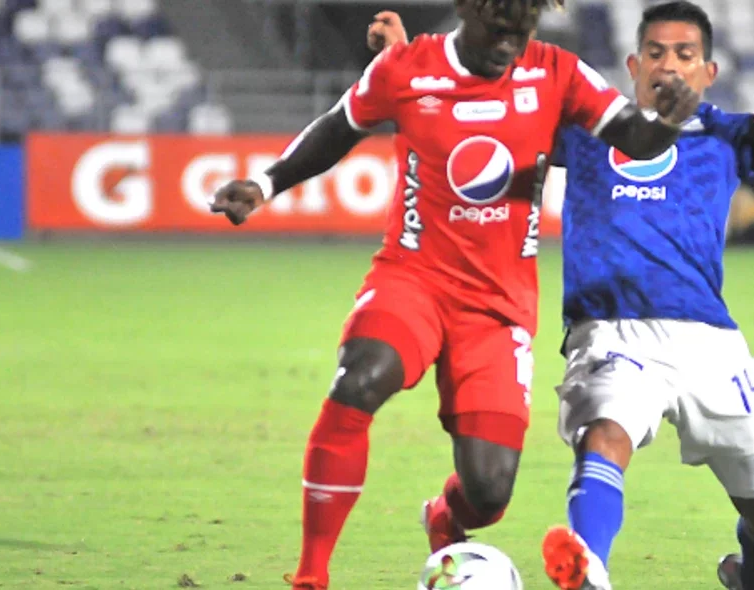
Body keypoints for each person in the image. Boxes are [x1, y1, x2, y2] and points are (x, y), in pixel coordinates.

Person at [378, 2, 754, 589]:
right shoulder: (585, 131)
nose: (668, 66)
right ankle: (589, 567)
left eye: (684, 54)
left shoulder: (728, 137)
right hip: (609, 328)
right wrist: (406, 63)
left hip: (710, 341)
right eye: (655, 53)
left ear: (709, 72)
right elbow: (479, 105)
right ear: (632, 64)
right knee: (606, 431)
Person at [207, 1, 700, 589]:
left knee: (489, 492)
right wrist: (264, 184)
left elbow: (634, 138)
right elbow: (340, 125)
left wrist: (666, 118)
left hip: (498, 307)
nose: (509, 47)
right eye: (498, 32)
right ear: (466, 10)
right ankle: (311, 575)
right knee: (359, 379)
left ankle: (444, 518)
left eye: (521, 34)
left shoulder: (557, 71)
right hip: (412, 277)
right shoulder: (407, 69)